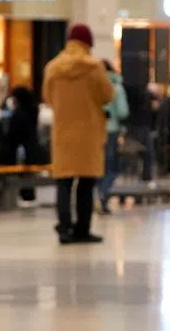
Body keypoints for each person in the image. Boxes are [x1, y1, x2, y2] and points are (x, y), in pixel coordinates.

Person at [43, 23, 114, 244]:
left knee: (63, 182)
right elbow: (108, 95)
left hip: (63, 131)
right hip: (89, 131)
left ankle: (64, 228)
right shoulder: (95, 67)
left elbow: (47, 97)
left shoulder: (52, 67)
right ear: (88, 43)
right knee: (86, 182)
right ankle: (82, 229)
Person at [97, 59, 130, 214]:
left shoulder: (93, 86)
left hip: (96, 130)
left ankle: (98, 193)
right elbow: (123, 111)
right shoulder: (116, 87)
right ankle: (103, 193)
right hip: (112, 129)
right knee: (112, 166)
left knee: (99, 165)